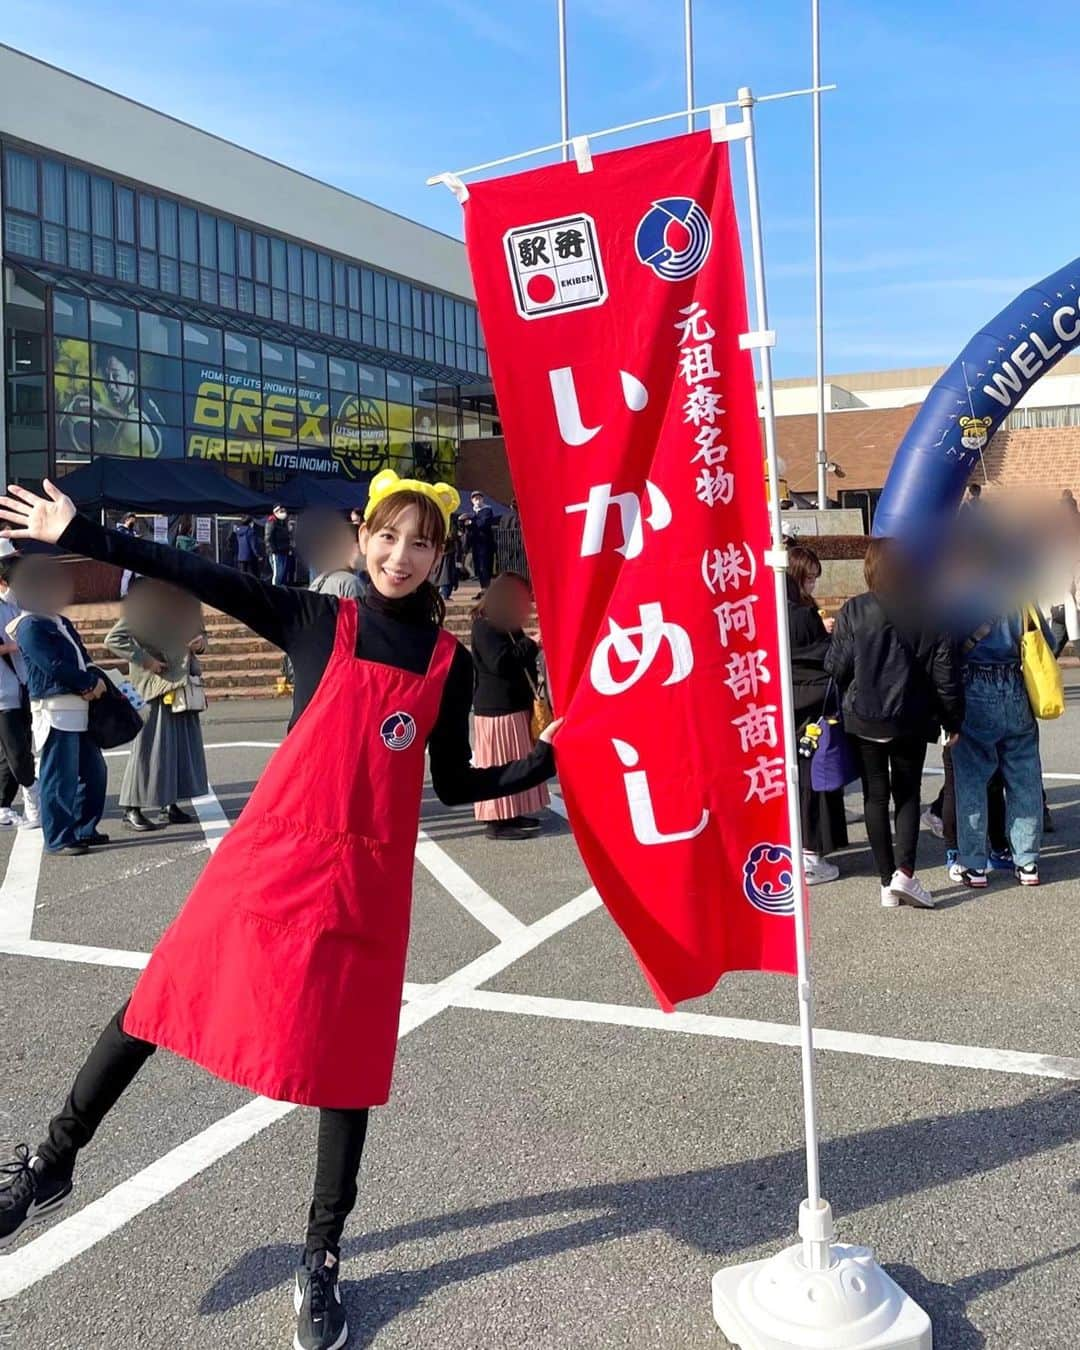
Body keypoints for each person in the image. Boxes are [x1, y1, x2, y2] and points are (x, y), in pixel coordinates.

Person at [0, 472, 561, 1350]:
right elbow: (193, 570)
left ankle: (322, 1257)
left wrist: (547, 763)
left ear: (441, 555)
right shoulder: (316, 619)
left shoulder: (446, 664)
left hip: (363, 887)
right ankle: (51, 1161)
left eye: (421, 543)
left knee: (345, 1071)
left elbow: (455, 783)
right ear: (362, 535)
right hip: (267, 863)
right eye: (387, 536)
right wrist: (88, 531)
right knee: (154, 1005)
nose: (400, 556)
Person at [825, 538, 963, 909]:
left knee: (874, 795)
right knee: (907, 793)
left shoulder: (855, 609)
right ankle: (905, 872)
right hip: (911, 716)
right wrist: (952, 720)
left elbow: (836, 668)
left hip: (864, 716)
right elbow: (945, 673)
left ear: (870, 569)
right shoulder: (929, 610)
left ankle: (887, 881)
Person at [5, 556, 108, 857]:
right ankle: (60, 837)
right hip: (55, 707)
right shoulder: (28, 625)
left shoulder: (60, 621)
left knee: (94, 772)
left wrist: (93, 679)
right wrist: (87, 683)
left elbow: (81, 656)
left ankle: (84, 828)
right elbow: (51, 665)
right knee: (58, 776)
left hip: (80, 705)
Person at [950, 607, 1050, 887]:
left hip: (973, 685)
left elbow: (945, 646)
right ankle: (1027, 861)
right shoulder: (1019, 595)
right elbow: (1047, 640)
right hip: (1016, 684)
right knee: (1024, 776)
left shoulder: (957, 598)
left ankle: (973, 864)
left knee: (971, 778)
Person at [104, 578, 209, 833]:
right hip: (155, 685)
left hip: (182, 683)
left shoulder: (188, 600)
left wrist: (201, 643)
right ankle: (131, 808)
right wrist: (146, 660)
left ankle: (169, 803)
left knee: (177, 747)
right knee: (148, 747)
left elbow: (201, 634)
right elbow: (114, 638)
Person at [471, 573, 550, 840]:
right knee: (500, 762)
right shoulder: (484, 626)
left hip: (514, 703)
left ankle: (513, 811)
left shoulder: (506, 624)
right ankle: (497, 820)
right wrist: (532, 642)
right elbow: (500, 663)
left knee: (516, 760)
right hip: (496, 707)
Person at [786, 545, 845, 885]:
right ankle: (811, 854)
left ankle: (797, 849)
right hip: (811, 709)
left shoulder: (775, 608)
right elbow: (820, 657)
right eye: (809, 579)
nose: (813, 586)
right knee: (815, 778)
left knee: (794, 779)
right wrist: (828, 633)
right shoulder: (802, 616)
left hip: (786, 705)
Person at [0, 556, 39, 828]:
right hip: (3, 694)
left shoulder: (12, 606)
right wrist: (19, 644)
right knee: (17, 752)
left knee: (13, 752)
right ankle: (36, 804)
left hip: (21, 689)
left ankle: (2, 806)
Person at [466, 490, 495, 589]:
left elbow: (483, 523)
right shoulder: (472, 512)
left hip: (485, 543)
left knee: (484, 566)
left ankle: (486, 589)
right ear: (472, 500)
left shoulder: (487, 510)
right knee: (478, 566)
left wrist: (471, 522)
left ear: (482, 499)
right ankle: (483, 588)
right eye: (475, 498)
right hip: (476, 543)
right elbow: (468, 527)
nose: (477, 500)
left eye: (479, 498)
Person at [265, 504, 293, 586]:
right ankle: (275, 591)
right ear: (276, 512)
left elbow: (286, 536)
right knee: (278, 574)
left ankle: (281, 590)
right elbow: (268, 537)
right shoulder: (271, 521)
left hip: (284, 550)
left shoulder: (283, 522)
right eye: (281, 511)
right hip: (276, 552)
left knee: (282, 574)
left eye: (284, 511)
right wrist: (273, 550)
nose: (284, 513)